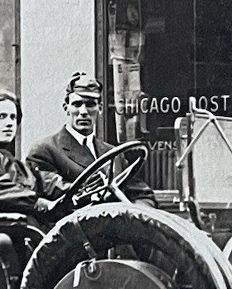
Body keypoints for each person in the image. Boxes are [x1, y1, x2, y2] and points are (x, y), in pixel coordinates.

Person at [26, 73, 156, 206]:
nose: (83, 111)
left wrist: (140, 213)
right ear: (66, 108)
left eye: (90, 104)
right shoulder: (45, 150)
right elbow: (58, 191)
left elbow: (141, 193)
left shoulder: (114, 154)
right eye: (77, 104)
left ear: (100, 108)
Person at [0, 88, 66, 217]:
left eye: (13, 117)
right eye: (1, 116)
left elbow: (43, 181)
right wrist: (39, 203)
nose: (9, 123)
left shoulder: (13, 161)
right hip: (11, 229)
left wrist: (76, 189)